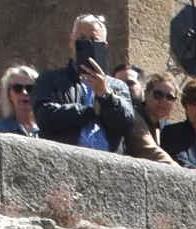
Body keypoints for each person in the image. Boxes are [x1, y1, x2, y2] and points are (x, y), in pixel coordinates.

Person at [28, 17, 133, 148]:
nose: (87, 44)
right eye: (82, 39)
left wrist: (105, 95)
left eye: (94, 40)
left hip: (108, 161)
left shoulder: (117, 86)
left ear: (105, 46)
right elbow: (44, 117)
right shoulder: (51, 79)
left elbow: (126, 122)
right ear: (71, 41)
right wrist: (89, 111)